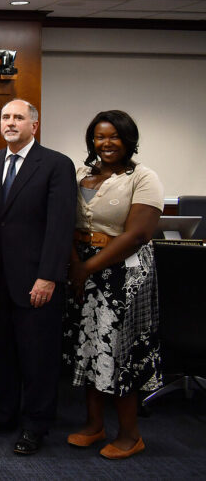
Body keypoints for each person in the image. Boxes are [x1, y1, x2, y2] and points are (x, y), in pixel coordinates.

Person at [0, 100, 76, 455]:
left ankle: (35, 425)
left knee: (38, 358)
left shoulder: (57, 165)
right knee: (0, 353)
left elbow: (60, 227)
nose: (10, 122)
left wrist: (48, 276)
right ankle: (2, 414)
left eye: (18, 117)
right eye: (5, 117)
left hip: (36, 281)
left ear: (35, 124)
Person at [63, 110, 162, 460]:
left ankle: (130, 434)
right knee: (89, 347)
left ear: (128, 140)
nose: (106, 143)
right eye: (100, 137)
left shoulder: (143, 177)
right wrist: (77, 265)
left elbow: (137, 235)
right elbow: (65, 222)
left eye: (114, 137)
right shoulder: (79, 175)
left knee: (121, 352)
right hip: (82, 271)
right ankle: (94, 425)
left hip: (124, 275)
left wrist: (86, 267)